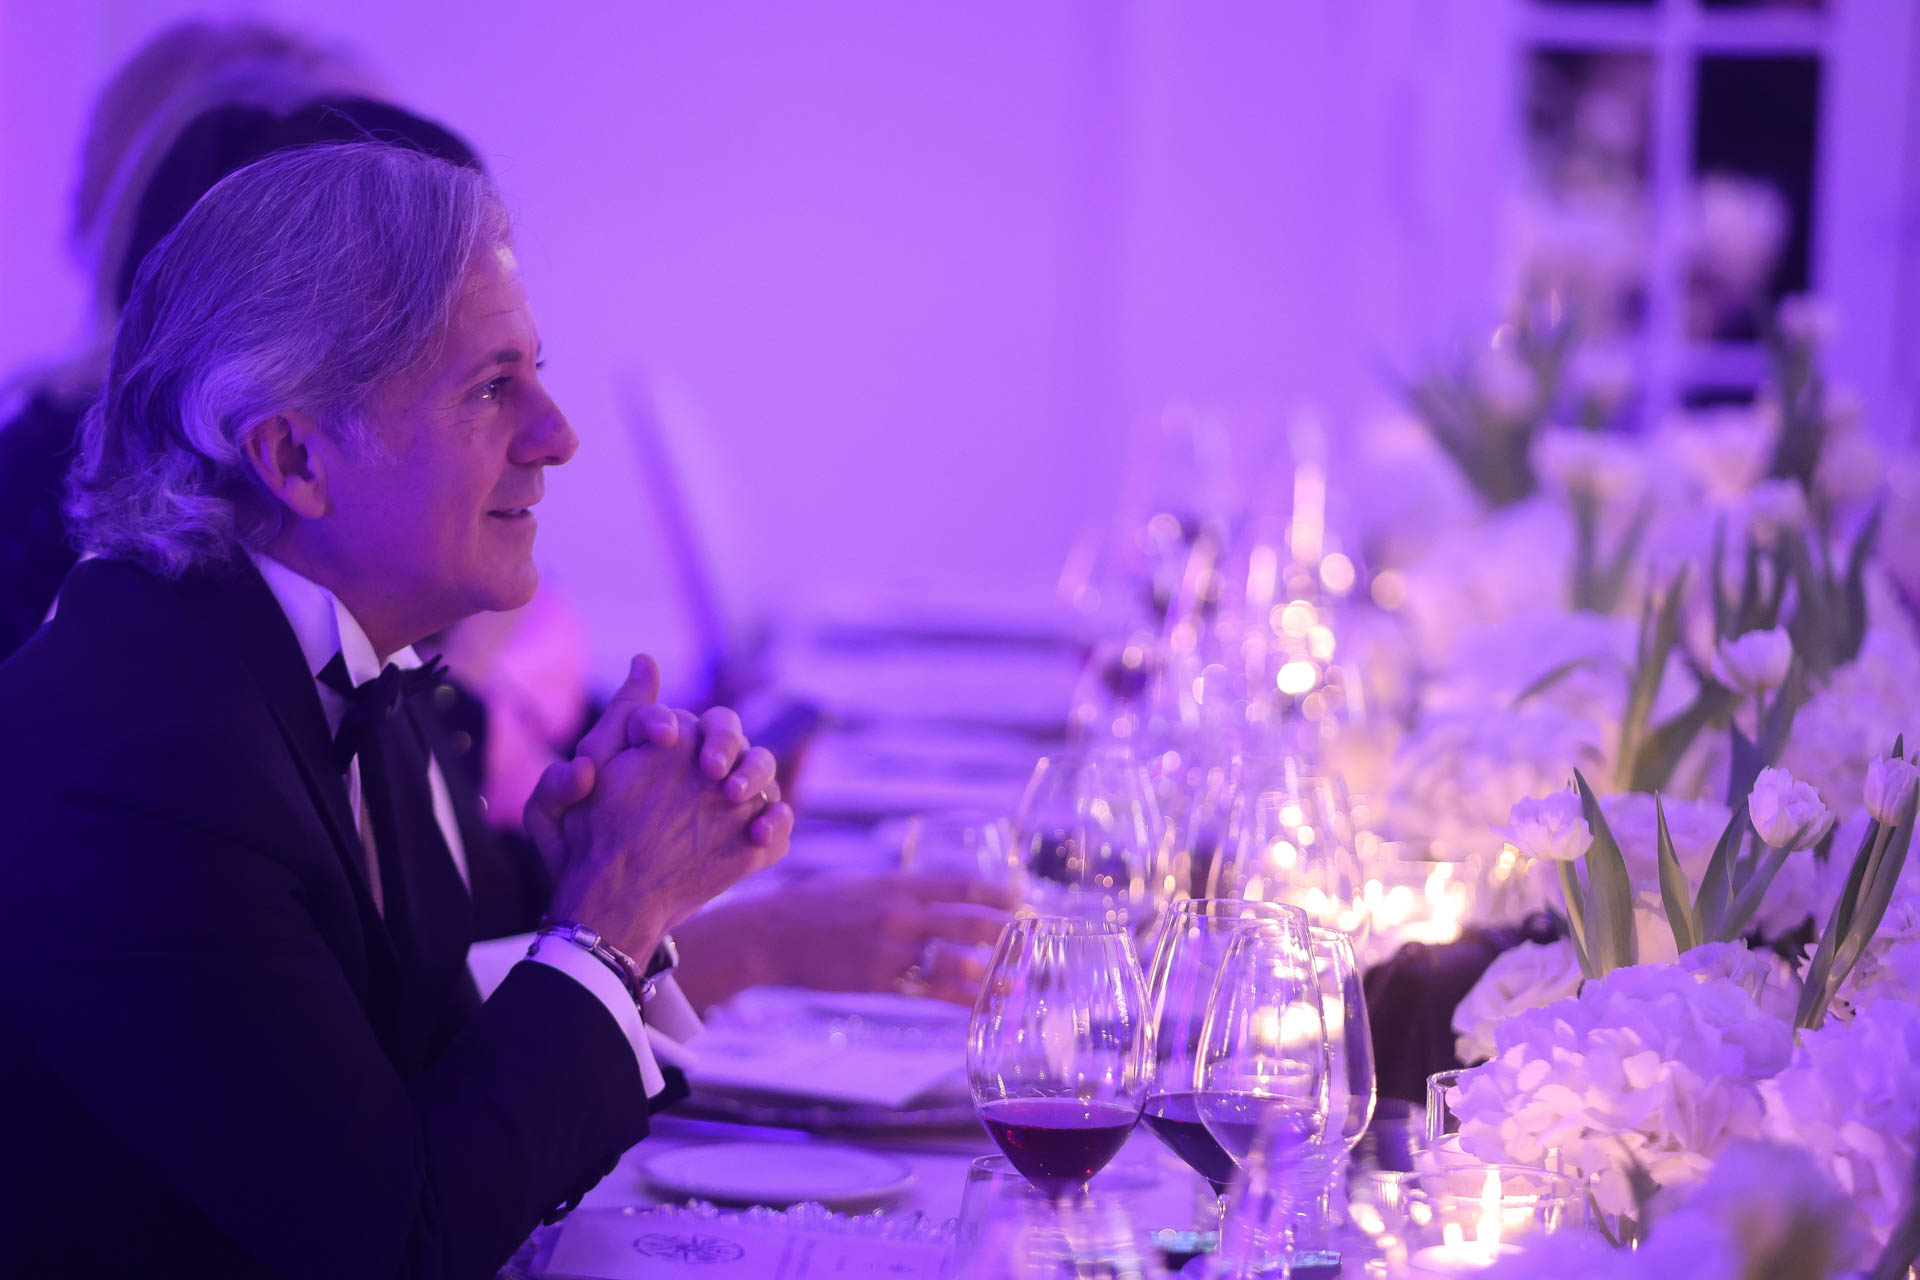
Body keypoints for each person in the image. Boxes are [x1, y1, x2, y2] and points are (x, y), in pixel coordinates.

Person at [0, 141, 792, 1277]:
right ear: (295, 457)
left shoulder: (347, 652)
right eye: (491, 388)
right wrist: (610, 921)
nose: (557, 434)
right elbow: (396, 1242)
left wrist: (589, 880)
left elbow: (427, 1071)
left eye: (535, 372)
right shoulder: (141, 759)